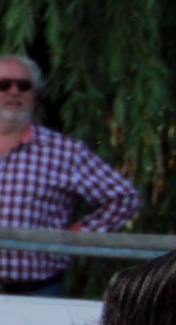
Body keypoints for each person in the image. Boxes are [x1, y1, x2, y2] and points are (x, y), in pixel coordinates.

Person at [0, 54, 141, 297]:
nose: (14, 92)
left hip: (37, 293)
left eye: (23, 85)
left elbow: (124, 197)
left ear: (34, 94)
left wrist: (80, 235)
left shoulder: (65, 152)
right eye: (3, 85)